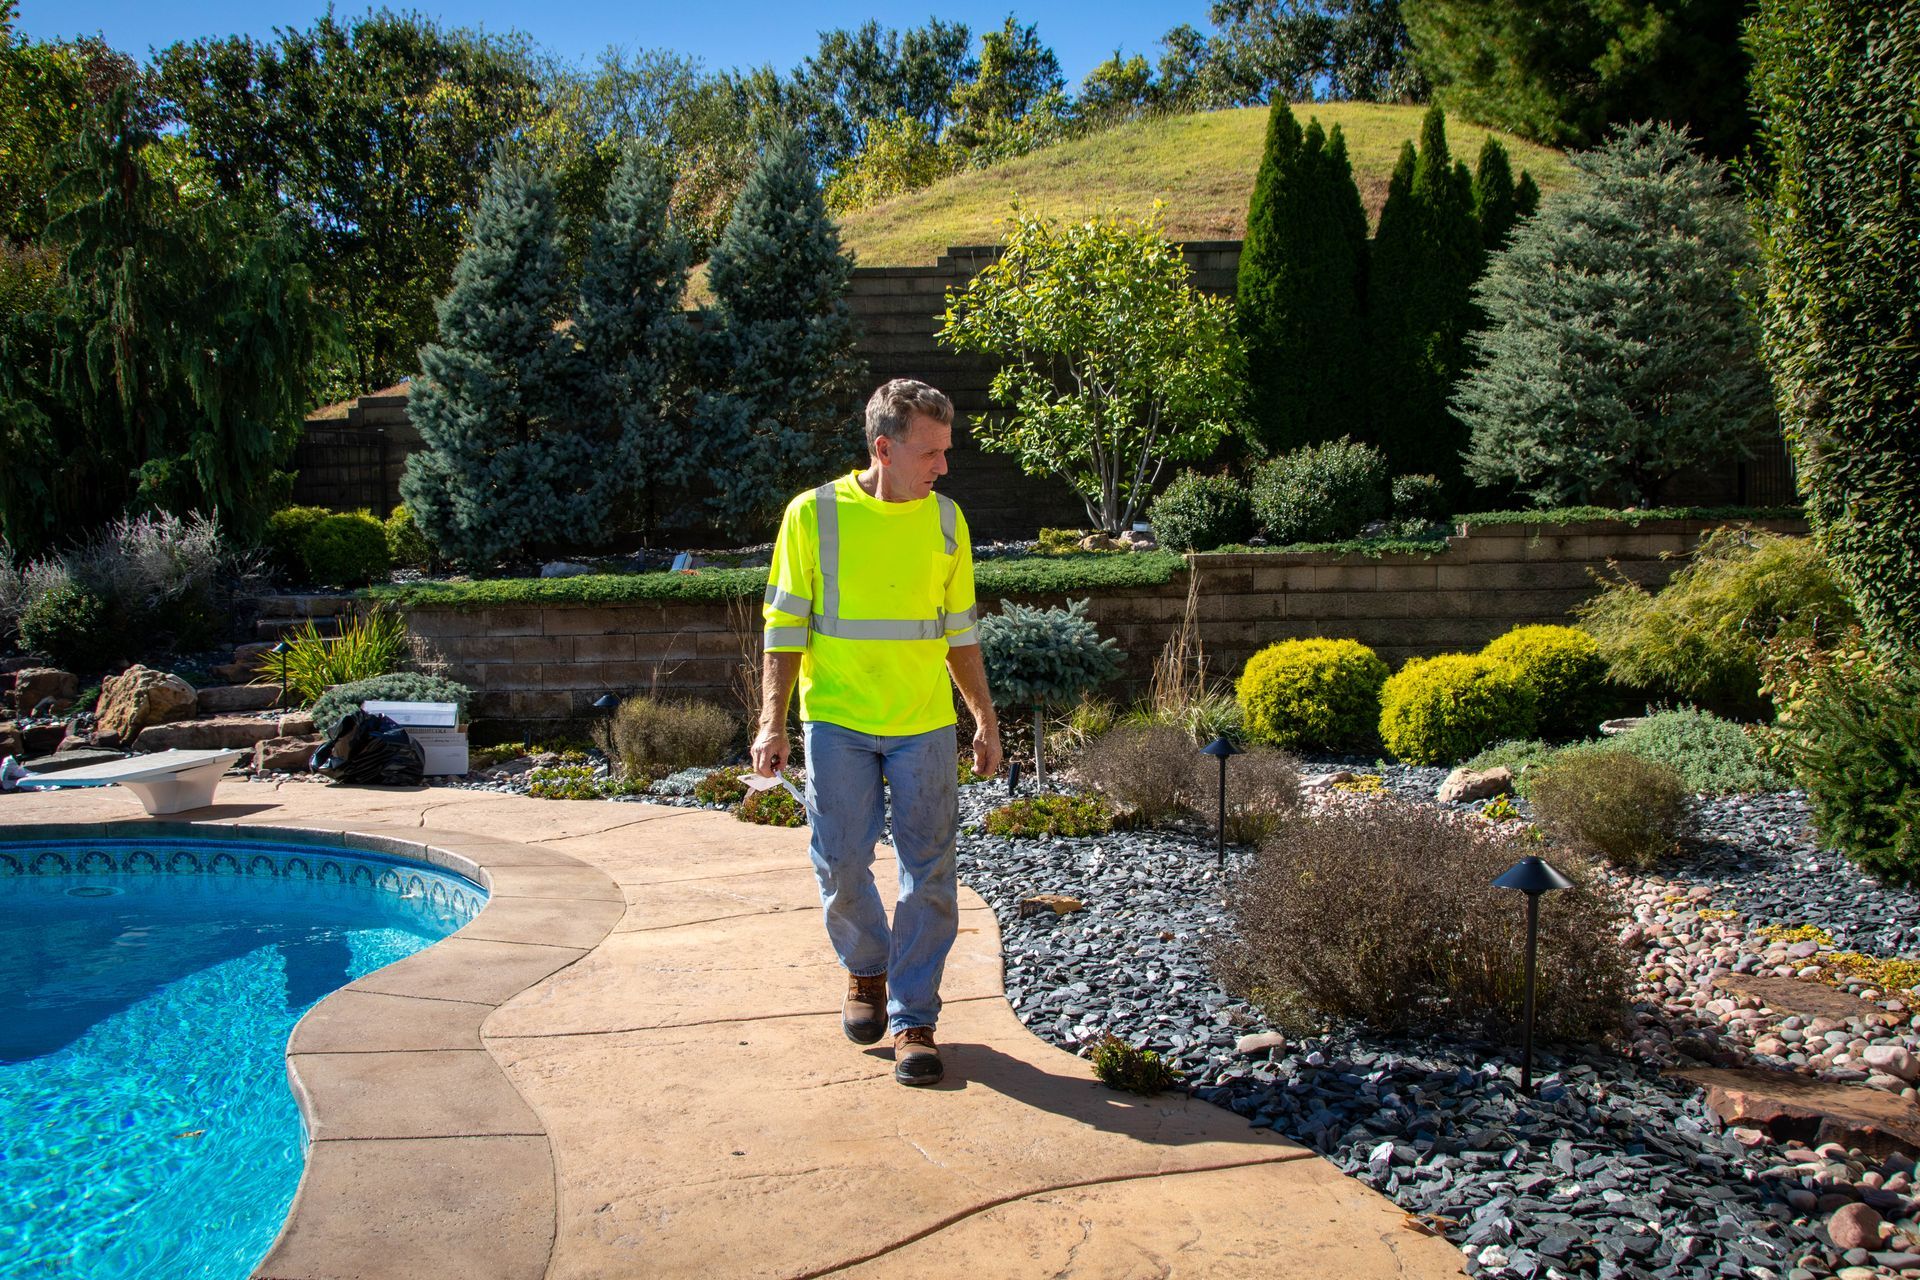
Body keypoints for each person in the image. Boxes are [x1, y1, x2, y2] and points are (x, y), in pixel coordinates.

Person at [752, 378, 1003, 1086]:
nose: (944, 467)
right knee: (840, 861)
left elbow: (960, 634)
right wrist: (771, 722)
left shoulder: (948, 522)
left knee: (930, 875)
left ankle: (914, 1017)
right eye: (931, 453)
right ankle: (866, 967)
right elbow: (783, 627)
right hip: (837, 720)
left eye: (946, 452)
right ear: (884, 449)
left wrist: (984, 720)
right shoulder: (813, 516)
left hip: (924, 723)